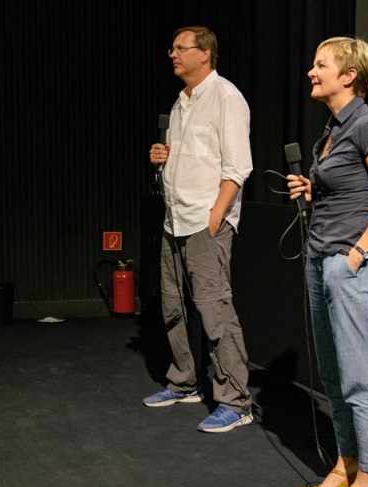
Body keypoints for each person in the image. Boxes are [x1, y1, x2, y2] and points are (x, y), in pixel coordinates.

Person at [287, 37, 368, 487]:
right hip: (323, 259)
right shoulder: (332, 132)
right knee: (336, 378)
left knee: (362, 378)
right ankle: (348, 461)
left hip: (355, 264)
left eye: (321, 65)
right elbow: (347, 189)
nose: (312, 72)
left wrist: (356, 256)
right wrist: (312, 188)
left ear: (349, 75)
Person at [144, 26, 254, 433]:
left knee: (215, 310)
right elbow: (190, 160)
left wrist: (216, 216)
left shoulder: (226, 97)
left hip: (206, 221)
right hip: (175, 219)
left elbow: (238, 166)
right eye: (171, 48)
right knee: (174, 306)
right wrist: (162, 157)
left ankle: (236, 401)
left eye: (180, 48)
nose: (172, 54)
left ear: (204, 53)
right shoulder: (180, 103)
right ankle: (185, 382)